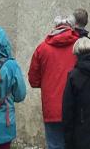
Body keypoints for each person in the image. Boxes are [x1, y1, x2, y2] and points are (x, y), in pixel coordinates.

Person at [28, 14, 80, 149]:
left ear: (55, 27)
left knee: (54, 144)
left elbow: (33, 80)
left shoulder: (42, 48)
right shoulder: (79, 46)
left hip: (51, 106)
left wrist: (47, 83)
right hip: (75, 105)